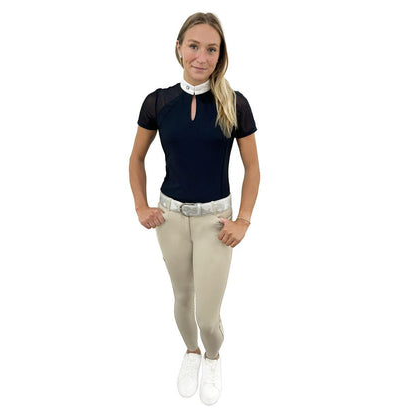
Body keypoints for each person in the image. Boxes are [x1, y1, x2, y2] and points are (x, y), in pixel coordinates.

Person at [129, 12, 260, 405]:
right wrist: (141, 206)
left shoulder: (234, 103)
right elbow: (136, 158)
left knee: (207, 315)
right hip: (169, 219)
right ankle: (191, 353)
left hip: (215, 223)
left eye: (211, 49)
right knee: (182, 300)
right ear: (179, 48)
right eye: (194, 46)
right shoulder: (158, 101)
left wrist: (243, 220)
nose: (201, 57)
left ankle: (213, 356)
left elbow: (252, 167)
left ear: (220, 55)